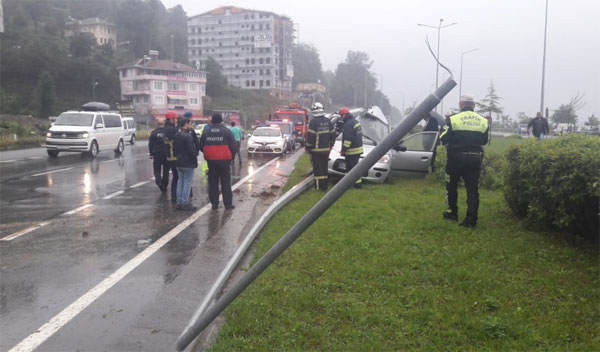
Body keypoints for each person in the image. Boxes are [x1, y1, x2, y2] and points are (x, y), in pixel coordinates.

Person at [439, 94, 489, 228]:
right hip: (474, 158)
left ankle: (452, 212)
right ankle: (471, 220)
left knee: (452, 185)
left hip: (455, 157)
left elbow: (443, 138)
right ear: (474, 105)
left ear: (461, 105)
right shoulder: (483, 120)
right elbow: (484, 140)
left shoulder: (453, 119)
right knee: (473, 189)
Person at [199, 114, 236, 210]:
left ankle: (214, 204)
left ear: (212, 121)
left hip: (211, 161)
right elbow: (233, 146)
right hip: (224, 161)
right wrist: (231, 158)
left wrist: (209, 154)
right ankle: (228, 204)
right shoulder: (226, 131)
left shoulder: (206, 132)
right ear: (221, 121)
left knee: (213, 182)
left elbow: (201, 146)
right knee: (225, 182)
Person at [306, 102, 336, 191]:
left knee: (318, 170)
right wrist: (331, 144)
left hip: (316, 151)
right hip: (326, 150)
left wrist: (308, 148)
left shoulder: (313, 122)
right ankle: (324, 186)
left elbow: (310, 137)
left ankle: (318, 187)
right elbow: (333, 134)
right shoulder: (328, 121)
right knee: (324, 168)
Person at [173, 117, 198, 211]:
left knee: (180, 182)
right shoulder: (188, 136)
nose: (191, 126)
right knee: (187, 183)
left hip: (179, 162)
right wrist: (194, 161)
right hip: (188, 163)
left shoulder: (176, 135)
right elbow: (191, 150)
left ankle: (179, 202)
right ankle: (185, 202)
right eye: (190, 124)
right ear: (186, 125)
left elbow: (174, 150)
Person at [338, 107, 363, 189]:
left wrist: (343, 150)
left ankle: (355, 185)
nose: (341, 117)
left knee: (351, 169)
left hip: (351, 151)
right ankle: (350, 183)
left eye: (341, 116)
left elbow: (348, 139)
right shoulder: (355, 122)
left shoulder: (348, 124)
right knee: (354, 168)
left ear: (345, 115)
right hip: (358, 149)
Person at [148, 118, 171, 192]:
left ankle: (159, 182)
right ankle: (165, 184)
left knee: (157, 169)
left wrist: (151, 153)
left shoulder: (154, 133)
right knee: (166, 170)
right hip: (166, 153)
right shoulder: (167, 132)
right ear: (163, 123)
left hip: (157, 153)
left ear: (157, 124)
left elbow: (151, 144)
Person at [163, 111, 179, 202]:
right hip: (174, 154)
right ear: (171, 119)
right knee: (177, 176)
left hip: (168, 154)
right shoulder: (173, 129)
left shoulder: (166, 128)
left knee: (175, 176)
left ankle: (174, 196)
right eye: (175, 118)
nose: (176, 120)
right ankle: (174, 196)